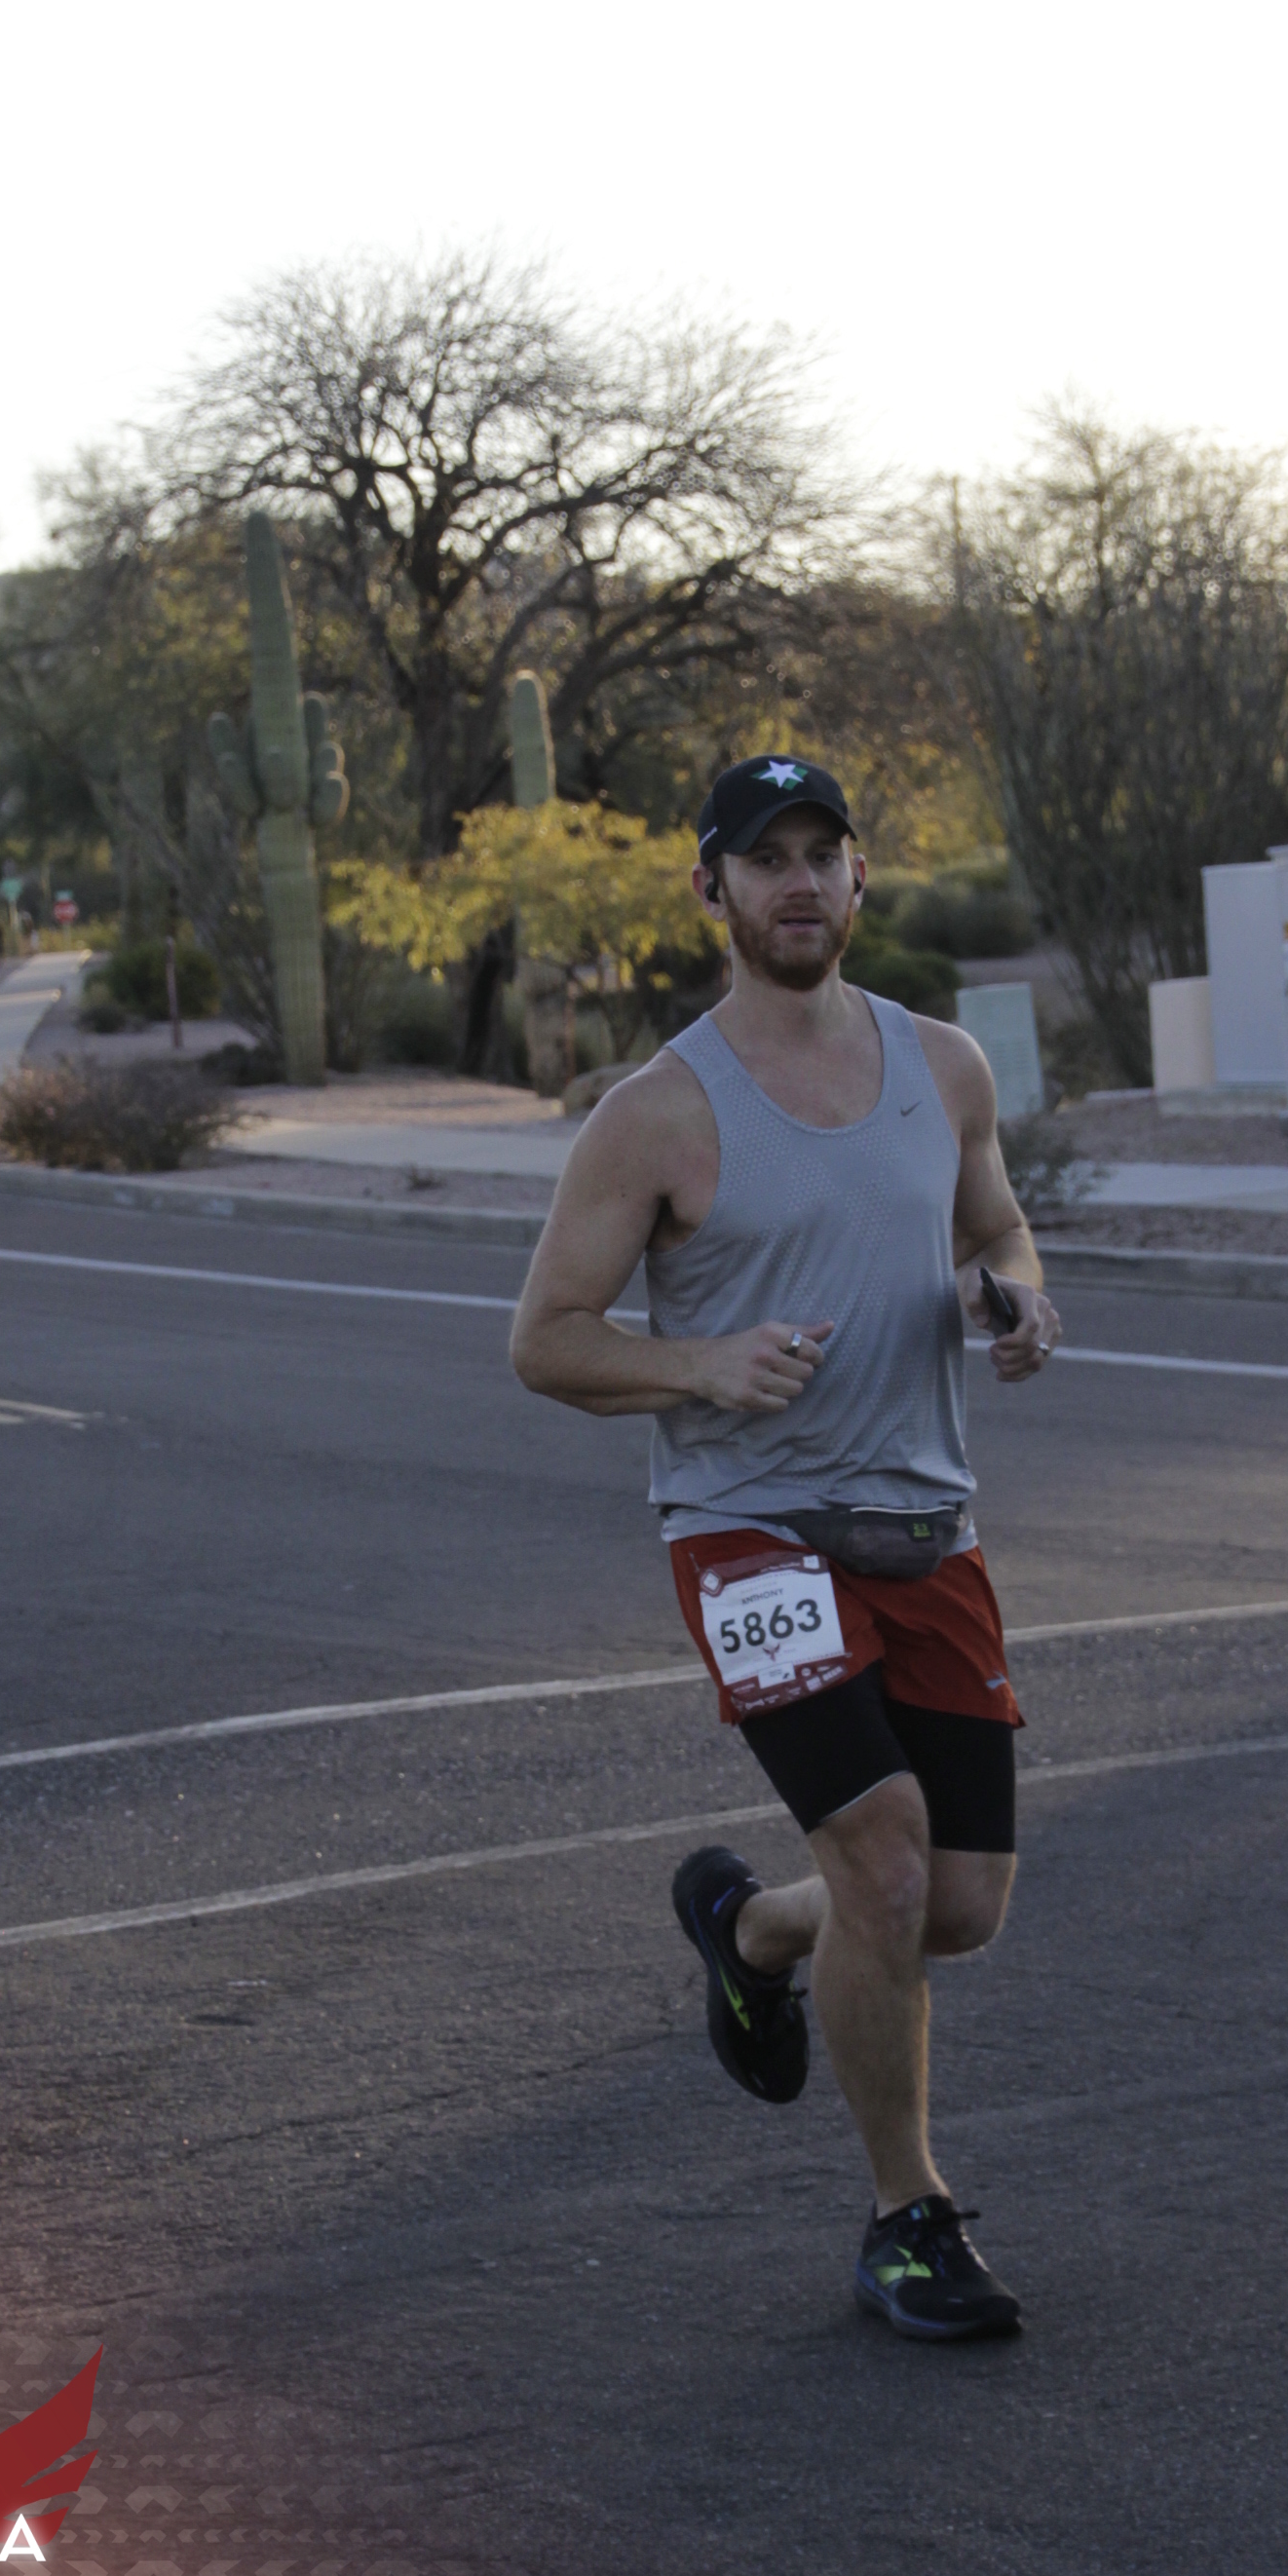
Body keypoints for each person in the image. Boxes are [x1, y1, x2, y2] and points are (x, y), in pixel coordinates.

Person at [511, 755, 1061, 2340]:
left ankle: (751, 1930)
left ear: (858, 877)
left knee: (959, 1902)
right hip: (747, 1535)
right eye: (767, 860)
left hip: (925, 1525)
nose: (800, 882)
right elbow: (547, 1341)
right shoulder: (656, 1114)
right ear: (714, 891)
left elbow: (996, 1224)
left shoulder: (944, 1065)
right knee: (882, 1857)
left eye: (824, 852)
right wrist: (699, 1365)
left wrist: (1017, 1300)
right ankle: (909, 2218)